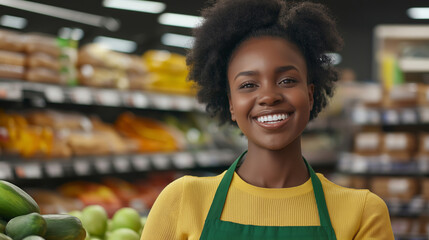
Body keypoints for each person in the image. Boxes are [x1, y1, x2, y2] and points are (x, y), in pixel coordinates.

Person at [141, 0, 394, 239]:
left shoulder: (363, 213)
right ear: (230, 104)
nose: (269, 97)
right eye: (249, 84)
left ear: (309, 94)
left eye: (287, 81)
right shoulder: (183, 200)